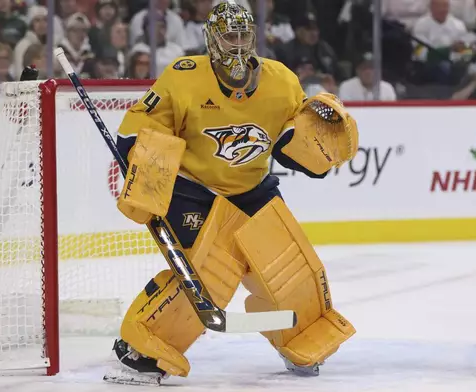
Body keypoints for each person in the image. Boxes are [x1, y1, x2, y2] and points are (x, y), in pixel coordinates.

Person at [105, 0, 358, 386]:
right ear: (211, 38)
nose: (237, 43)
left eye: (243, 34)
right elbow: (140, 125)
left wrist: (313, 151)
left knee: (292, 272)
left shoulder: (281, 80)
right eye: (229, 34)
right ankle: (143, 346)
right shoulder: (183, 76)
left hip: (252, 189)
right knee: (207, 276)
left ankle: (300, 338)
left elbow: (289, 139)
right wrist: (141, 165)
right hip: (193, 190)